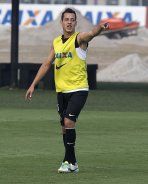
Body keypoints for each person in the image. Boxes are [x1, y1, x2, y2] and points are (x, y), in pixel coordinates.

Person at [25, 8, 109, 173]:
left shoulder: (79, 39)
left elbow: (91, 34)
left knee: (69, 122)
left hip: (79, 89)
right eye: (66, 19)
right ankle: (71, 162)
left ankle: (70, 163)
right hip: (61, 91)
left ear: (75, 23)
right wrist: (33, 84)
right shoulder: (56, 42)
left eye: (72, 19)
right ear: (61, 22)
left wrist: (100, 28)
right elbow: (47, 64)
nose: (69, 22)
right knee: (64, 126)